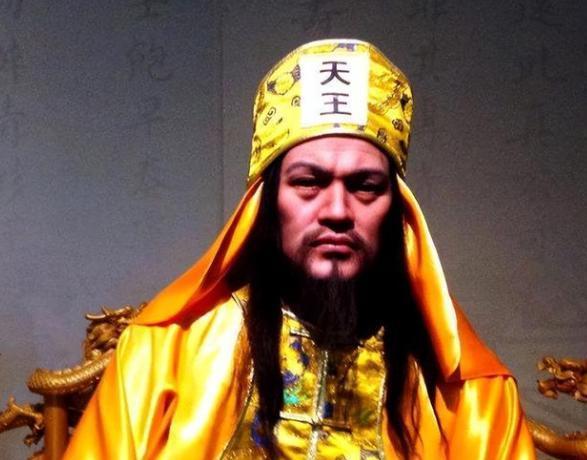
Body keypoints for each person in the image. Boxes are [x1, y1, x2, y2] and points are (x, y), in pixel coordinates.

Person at [64, 39, 535, 459]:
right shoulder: (163, 354)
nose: (337, 210)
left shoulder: (470, 392)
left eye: (365, 186)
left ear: (398, 210)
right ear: (266, 203)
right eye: (309, 182)